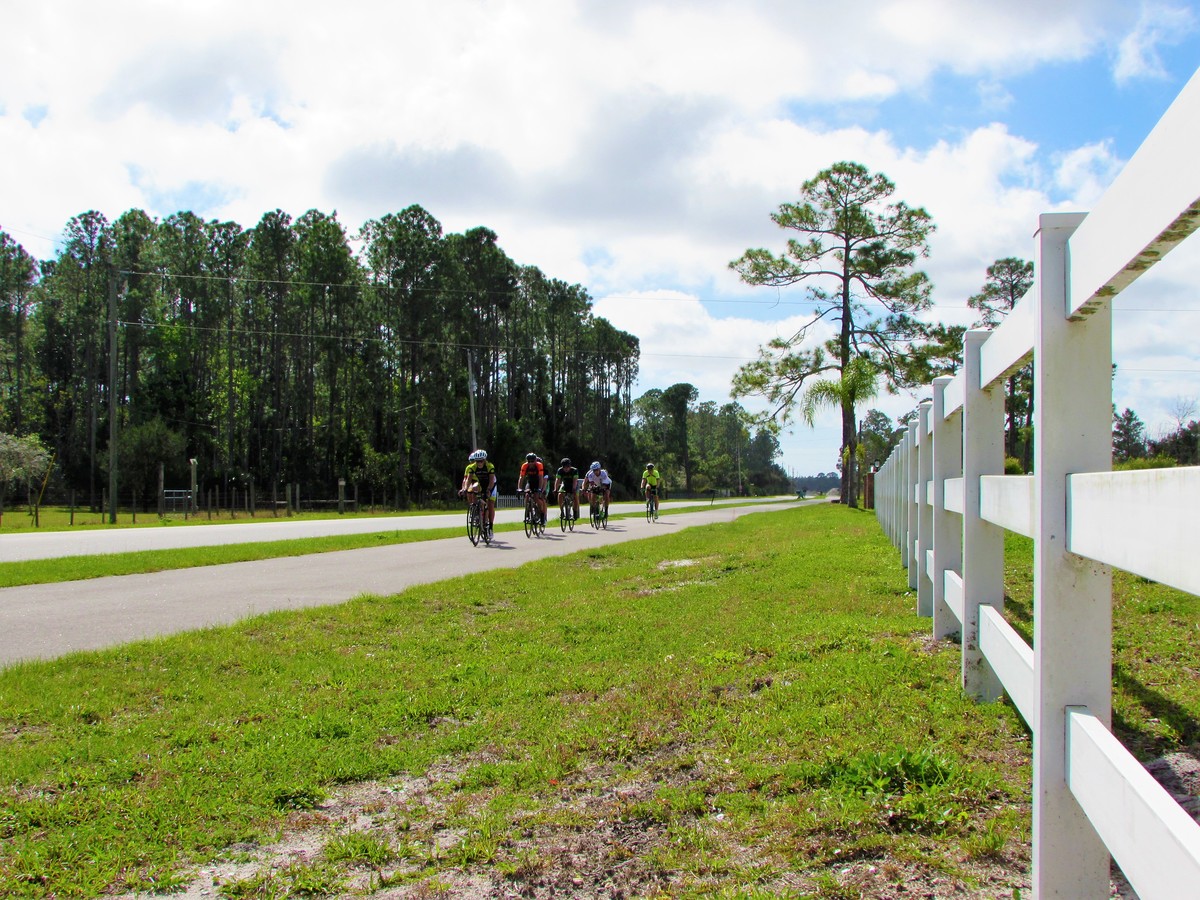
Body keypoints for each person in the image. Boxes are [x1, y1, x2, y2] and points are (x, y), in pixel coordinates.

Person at [458, 449, 497, 527]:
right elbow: (468, 480)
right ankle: (478, 511)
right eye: (477, 461)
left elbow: (491, 480)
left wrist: (488, 490)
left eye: (481, 461)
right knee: (476, 494)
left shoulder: (490, 466)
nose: (479, 463)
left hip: (490, 484)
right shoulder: (472, 467)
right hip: (480, 483)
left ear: (484, 460)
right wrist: (465, 489)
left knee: (490, 504)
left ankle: (490, 526)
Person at [516, 452, 547, 524]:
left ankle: (542, 515)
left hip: (538, 482)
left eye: (532, 461)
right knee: (527, 496)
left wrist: (539, 489)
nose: (530, 463)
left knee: (536, 498)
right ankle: (527, 513)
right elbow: (521, 477)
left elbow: (541, 478)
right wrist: (519, 488)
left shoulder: (539, 465)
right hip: (530, 482)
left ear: (535, 460)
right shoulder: (524, 466)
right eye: (529, 461)